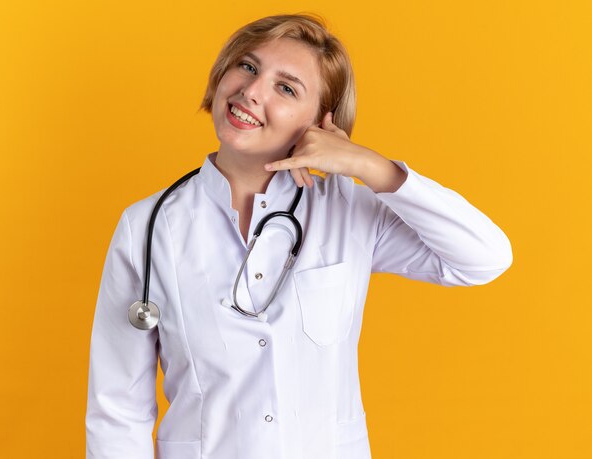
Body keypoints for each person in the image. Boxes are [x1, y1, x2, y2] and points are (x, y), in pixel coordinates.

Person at [86, 13, 513, 459]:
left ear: (319, 123)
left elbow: (484, 257)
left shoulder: (347, 211)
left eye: (286, 88)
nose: (252, 91)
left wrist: (371, 166)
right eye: (247, 67)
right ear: (219, 78)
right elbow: (117, 409)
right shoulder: (148, 225)